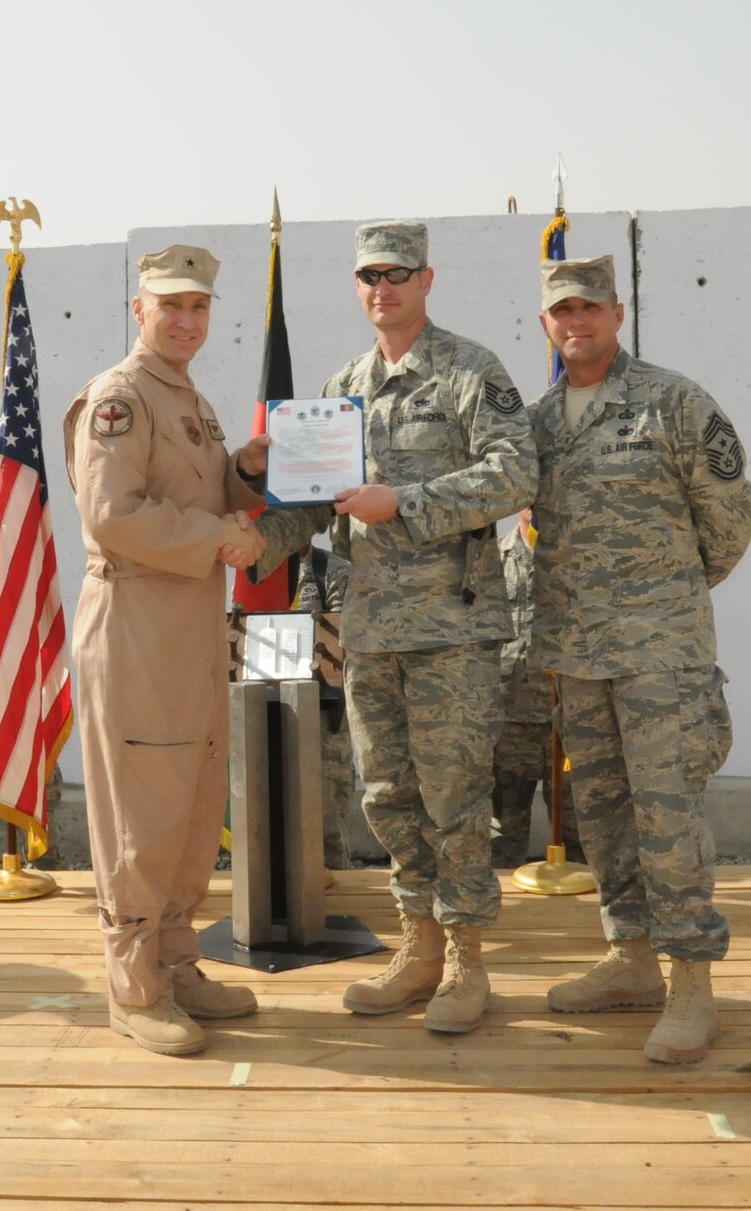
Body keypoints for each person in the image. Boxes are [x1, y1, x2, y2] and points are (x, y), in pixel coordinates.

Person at [250, 221, 536, 1034]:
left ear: (427, 279)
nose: (384, 287)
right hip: (371, 629)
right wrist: (253, 539)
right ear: (357, 286)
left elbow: (515, 472)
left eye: (398, 273)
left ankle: (467, 964)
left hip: (453, 630)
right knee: (390, 799)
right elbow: (308, 502)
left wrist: (403, 502)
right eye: (370, 275)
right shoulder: (343, 390)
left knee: (455, 799)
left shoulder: (470, 371)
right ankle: (417, 951)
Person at [526, 256, 751, 1065]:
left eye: (590, 308)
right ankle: (630, 958)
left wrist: (665, 598)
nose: (575, 323)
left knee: (668, 815)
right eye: (561, 312)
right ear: (546, 324)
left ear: (618, 314)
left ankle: (692, 982)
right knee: (605, 813)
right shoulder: (539, 423)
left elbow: (727, 520)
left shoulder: (674, 402)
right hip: (578, 654)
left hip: (661, 654)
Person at [64, 244, 270, 1057]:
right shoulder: (120, 397)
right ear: (139, 310)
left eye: (200, 308)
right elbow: (114, 515)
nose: (187, 321)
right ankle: (134, 984)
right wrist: (219, 533)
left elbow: (198, 492)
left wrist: (244, 475)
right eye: (171, 306)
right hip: (136, 620)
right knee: (142, 809)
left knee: (188, 801)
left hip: (184, 621)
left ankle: (177, 961)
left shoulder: (187, 397)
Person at [491, 508, 583, 868]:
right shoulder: (493, 559)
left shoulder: (577, 556)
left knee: (580, 830)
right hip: (510, 718)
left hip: (569, 718)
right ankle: (504, 916)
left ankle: (586, 919)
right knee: (502, 830)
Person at [291, 545, 356, 871]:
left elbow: (344, 645)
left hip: (321, 717)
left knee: (326, 820)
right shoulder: (252, 575)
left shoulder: (332, 570)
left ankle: (341, 901)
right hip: (263, 715)